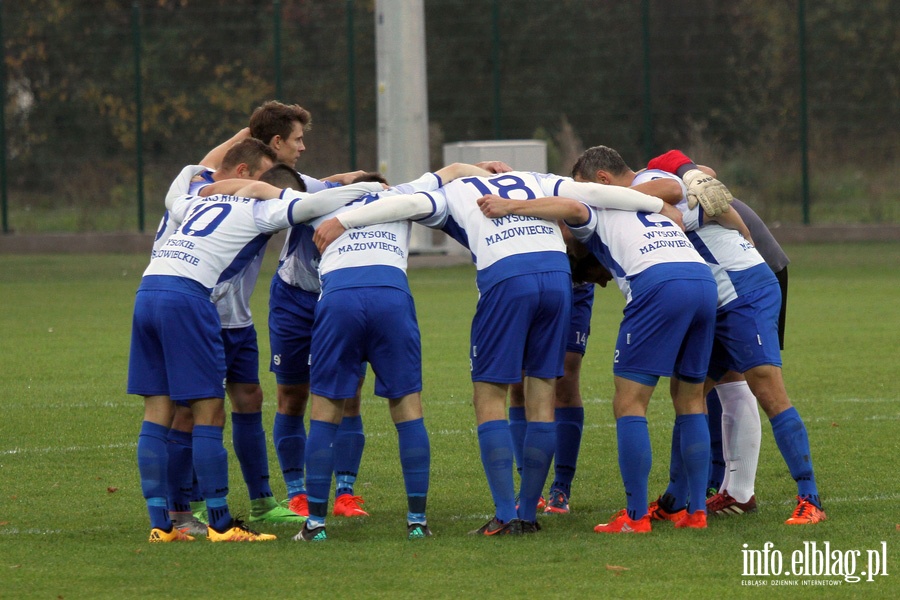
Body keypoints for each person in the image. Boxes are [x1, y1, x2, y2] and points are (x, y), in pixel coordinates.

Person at [312, 168, 674, 535]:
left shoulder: (453, 191)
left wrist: (343, 220)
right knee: (542, 394)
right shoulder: (535, 177)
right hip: (557, 277)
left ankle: (505, 516)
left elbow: (404, 202)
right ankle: (529, 513)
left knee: (489, 395)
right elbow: (598, 193)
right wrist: (658, 204)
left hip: (507, 277)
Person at [129, 156, 383, 543]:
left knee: (157, 410)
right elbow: (314, 204)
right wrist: (372, 189)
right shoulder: (263, 211)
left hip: (147, 292)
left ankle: (161, 526)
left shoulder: (198, 200)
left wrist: (201, 177)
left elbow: (173, 194)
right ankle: (220, 524)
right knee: (208, 411)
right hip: (187, 298)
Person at [244, 162, 490, 541]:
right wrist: (489, 171)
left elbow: (267, 191)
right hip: (391, 297)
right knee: (408, 410)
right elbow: (454, 170)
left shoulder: (322, 202)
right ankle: (417, 522)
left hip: (339, 299)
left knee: (326, 410)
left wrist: (209, 185)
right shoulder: (401, 196)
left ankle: (316, 525)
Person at [476, 154, 718, 534]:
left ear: (596, 181)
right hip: (703, 282)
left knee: (629, 404)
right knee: (691, 400)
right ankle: (697, 512)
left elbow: (571, 206)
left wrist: (511, 205)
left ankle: (636, 517)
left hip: (657, 284)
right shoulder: (646, 195)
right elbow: (676, 190)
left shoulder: (595, 205)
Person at [599, 146, 825, 525]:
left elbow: (697, 186)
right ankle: (675, 500)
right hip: (712, 298)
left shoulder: (645, 186)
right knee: (689, 395)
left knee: (768, 389)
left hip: (742, 290)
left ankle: (810, 498)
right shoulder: (638, 193)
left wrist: (739, 224)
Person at [648, 150, 790, 512]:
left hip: (755, 273)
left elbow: (696, 170)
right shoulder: (648, 189)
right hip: (727, 277)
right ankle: (717, 486)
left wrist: (688, 172)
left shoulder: (653, 183)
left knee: (739, 379)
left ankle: (739, 489)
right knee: (703, 381)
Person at [248, 100, 370, 518]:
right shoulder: (266, 185)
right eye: (297, 139)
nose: (302, 146)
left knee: (348, 393)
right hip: (293, 300)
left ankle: (346, 494)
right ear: (276, 142)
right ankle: (298, 492)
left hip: (339, 298)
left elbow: (326, 183)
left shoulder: (311, 185)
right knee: (292, 395)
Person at [508, 234, 612, 516]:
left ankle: (561, 487)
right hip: (524, 283)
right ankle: (528, 485)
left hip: (576, 288)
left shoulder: (567, 193)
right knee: (517, 384)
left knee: (565, 380)